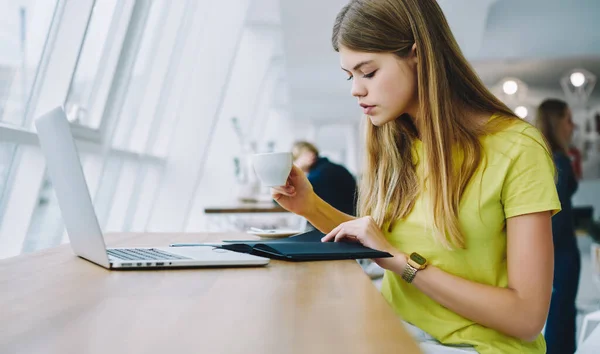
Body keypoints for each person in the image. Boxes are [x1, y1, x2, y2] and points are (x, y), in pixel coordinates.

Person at [271, 1, 560, 353]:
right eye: (350, 76)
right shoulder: (398, 143)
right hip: (398, 335)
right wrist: (310, 205)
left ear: (417, 55)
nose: (355, 90)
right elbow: (380, 244)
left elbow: (526, 318)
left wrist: (402, 264)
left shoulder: (517, 148)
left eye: (369, 72)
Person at [535, 99, 580, 354]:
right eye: (568, 119)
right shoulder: (558, 162)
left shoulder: (546, 158)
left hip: (557, 253)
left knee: (559, 314)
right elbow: (556, 220)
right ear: (556, 122)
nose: (572, 126)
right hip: (560, 254)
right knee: (562, 316)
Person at [292, 141, 357, 216]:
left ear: (309, 155)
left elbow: (297, 196)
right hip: (352, 217)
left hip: (339, 222)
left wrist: (297, 169)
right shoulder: (334, 167)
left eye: (295, 159)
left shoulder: (317, 176)